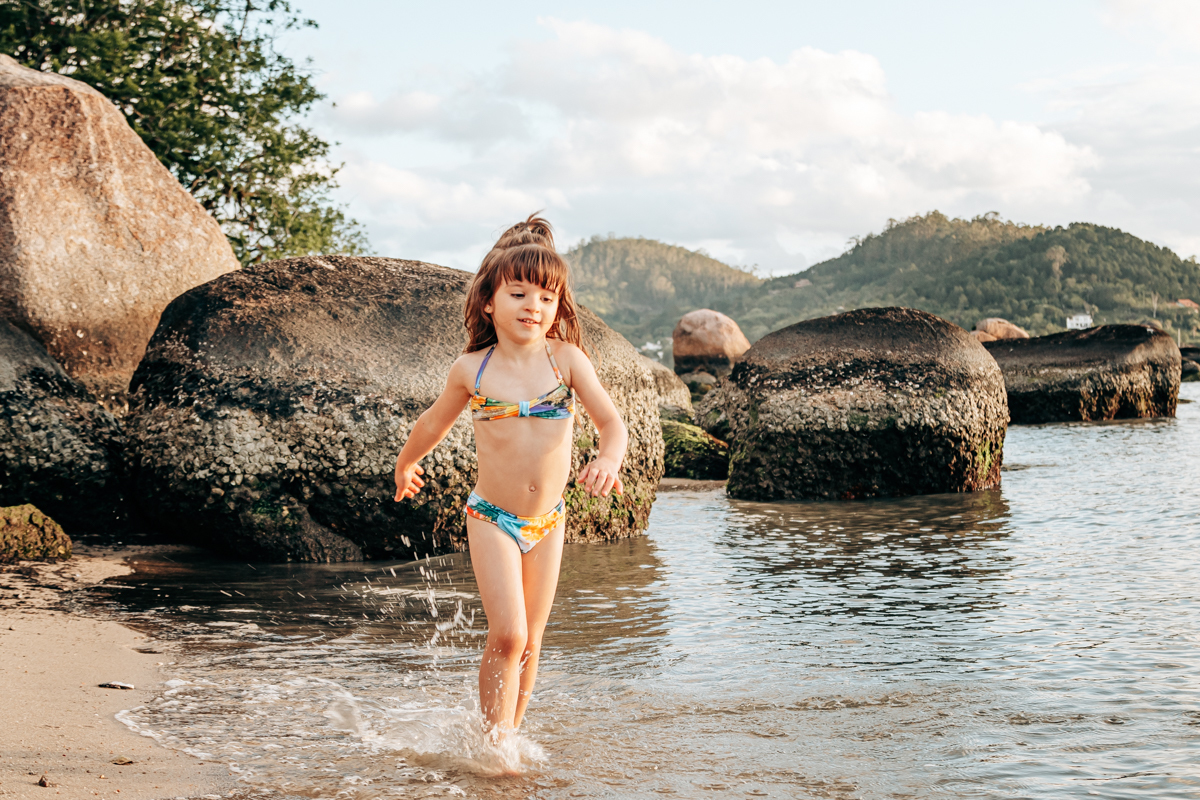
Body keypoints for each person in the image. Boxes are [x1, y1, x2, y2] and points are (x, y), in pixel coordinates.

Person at [393, 214, 628, 741]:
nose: (534, 307)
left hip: (549, 520)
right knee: (508, 635)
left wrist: (608, 459)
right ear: (489, 303)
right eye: (519, 294)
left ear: (558, 307)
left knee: (533, 639)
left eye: (547, 297)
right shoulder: (473, 369)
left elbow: (612, 424)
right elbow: (432, 422)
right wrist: (407, 462)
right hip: (492, 518)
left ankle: (508, 740)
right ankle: (493, 743)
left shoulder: (565, 360)